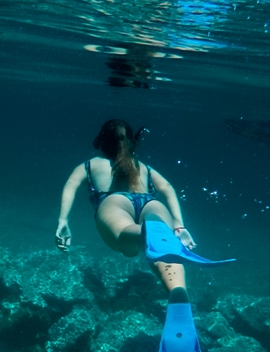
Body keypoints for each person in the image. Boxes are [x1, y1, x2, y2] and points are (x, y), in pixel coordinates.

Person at [55, 118, 195, 294]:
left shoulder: (91, 164)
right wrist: (179, 225)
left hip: (114, 202)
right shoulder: (143, 166)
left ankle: (143, 231)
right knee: (161, 250)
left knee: (123, 239)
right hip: (151, 203)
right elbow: (168, 188)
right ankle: (177, 289)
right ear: (131, 142)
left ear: (101, 140)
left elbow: (71, 185)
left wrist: (63, 220)